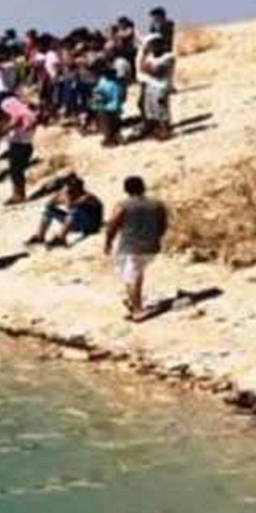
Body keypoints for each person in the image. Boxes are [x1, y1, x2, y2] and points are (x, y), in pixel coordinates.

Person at [105, 176, 169, 321]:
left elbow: (112, 225)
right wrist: (155, 237)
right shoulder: (157, 204)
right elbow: (163, 225)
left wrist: (108, 242)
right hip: (151, 246)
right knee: (132, 275)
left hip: (130, 247)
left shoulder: (122, 205)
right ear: (143, 187)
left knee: (132, 276)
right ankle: (133, 301)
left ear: (126, 189)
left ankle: (137, 310)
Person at [26, 174, 103, 246]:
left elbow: (71, 205)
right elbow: (50, 203)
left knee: (75, 211)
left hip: (92, 226)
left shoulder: (88, 197)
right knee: (49, 210)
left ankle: (61, 238)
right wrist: (59, 196)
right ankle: (40, 236)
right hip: (77, 223)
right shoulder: (68, 194)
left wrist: (65, 198)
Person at [0, 94, 38, 204]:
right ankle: (19, 194)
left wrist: (1, 129)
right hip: (26, 146)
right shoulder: (28, 115)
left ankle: (18, 195)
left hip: (19, 146)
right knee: (18, 172)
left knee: (16, 172)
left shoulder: (19, 117)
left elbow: (8, 130)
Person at [139, 35, 176, 140]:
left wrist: (148, 67)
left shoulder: (168, 57)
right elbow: (142, 68)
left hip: (162, 87)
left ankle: (166, 131)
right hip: (150, 86)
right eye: (150, 46)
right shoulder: (150, 57)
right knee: (151, 111)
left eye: (154, 45)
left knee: (162, 110)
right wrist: (146, 63)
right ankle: (156, 130)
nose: (152, 48)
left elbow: (157, 71)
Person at [93, 65, 125, 147]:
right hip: (114, 107)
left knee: (107, 125)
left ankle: (110, 140)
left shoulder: (107, 83)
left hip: (107, 108)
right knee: (114, 124)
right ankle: (115, 137)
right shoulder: (117, 83)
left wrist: (98, 98)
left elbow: (97, 93)